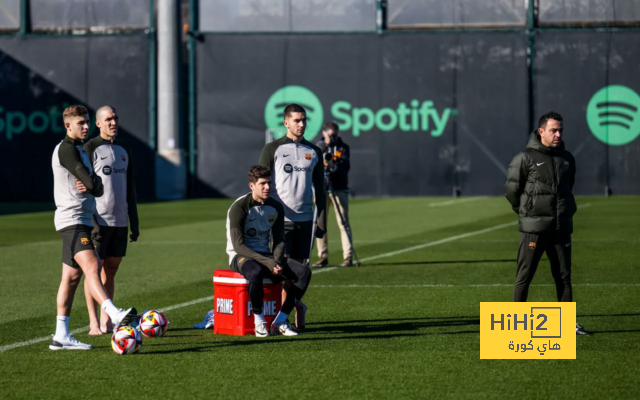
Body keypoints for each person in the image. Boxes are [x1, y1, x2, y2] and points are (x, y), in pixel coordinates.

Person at [51, 105, 137, 350]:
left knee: (71, 277)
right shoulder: (66, 150)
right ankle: (114, 313)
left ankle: (61, 336)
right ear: (68, 126)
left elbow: (96, 186)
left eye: (87, 122)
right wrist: (92, 183)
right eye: (81, 123)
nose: (86, 126)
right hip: (73, 220)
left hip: (83, 219)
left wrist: (93, 183)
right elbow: (92, 182)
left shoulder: (80, 149)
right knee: (92, 265)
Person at [505, 111, 591, 335]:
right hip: (534, 229)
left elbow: (567, 188)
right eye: (553, 130)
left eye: (560, 130)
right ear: (541, 131)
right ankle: (517, 324)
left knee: (563, 276)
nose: (558, 134)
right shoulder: (524, 158)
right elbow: (512, 191)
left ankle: (568, 324)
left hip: (561, 227)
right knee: (524, 276)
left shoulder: (567, 158)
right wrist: (527, 212)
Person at [259, 103, 326, 330]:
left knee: (296, 274)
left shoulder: (315, 152)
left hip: (306, 222)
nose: (301, 124)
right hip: (281, 222)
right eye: (297, 120)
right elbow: (260, 186)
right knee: (282, 271)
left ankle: (288, 314)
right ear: (286, 122)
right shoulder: (272, 149)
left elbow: (321, 190)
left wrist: (321, 222)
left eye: (304, 120)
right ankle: (286, 315)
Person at [226, 165, 312, 337]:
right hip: (241, 256)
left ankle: (280, 320)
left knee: (303, 272)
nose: (268, 187)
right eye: (263, 184)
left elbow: (279, 239)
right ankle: (259, 321)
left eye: (269, 183)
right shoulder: (239, 207)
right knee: (255, 272)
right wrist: (269, 262)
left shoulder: (276, 206)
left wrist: (277, 261)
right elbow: (238, 245)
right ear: (252, 186)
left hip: (266, 255)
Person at [83, 105, 140, 335]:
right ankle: (93, 322)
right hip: (98, 220)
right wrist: (90, 218)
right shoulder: (90, 147)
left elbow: (130, 187)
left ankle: (108, 319)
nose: (113, 122)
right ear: (98, 123)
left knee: (112, 268)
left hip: (120, 221)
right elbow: (83, 186)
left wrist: (134, 222)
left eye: (115, 118)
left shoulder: (124, 148)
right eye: (108, 119)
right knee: (93, 270)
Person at [312, 122, 353, 267]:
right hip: (321, 188)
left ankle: (348, 256)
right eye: (331, 135)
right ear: (324, 133)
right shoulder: (318, 147)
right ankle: (322, 256)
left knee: (343, 222)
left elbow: (345, 168)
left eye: (335, 134)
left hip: (339, 188)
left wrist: (332, 166)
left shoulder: (343, 147)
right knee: (320, 223)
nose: (333, 137)